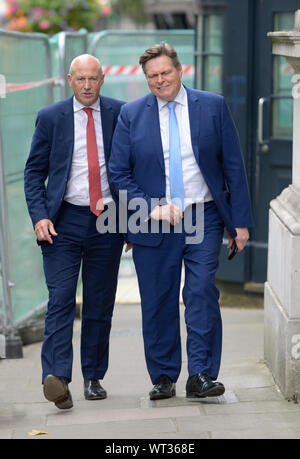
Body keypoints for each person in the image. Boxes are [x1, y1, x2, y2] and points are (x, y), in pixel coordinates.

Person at [109, 42, 253, 400]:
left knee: (201, 290)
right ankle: (163, 375)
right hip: (152, 221)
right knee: (158, 299)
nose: (160, 81)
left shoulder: (213, 106)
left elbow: (233, 166)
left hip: (201, 214)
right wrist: (149, 207)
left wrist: (240, 222)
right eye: (152, 76)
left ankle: (201, 373)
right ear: (145, 78)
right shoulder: (131, 114)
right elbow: (117, 174)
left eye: (165, 73)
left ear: (180, 70)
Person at [24, 54, 125, 409]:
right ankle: (57, 378)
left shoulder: (119, 113)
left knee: (99, 302)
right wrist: (40, 216)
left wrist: (130, 220)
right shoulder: (51, 118)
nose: (86, 86)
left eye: (92, 79)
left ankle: (94, 376)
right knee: (62, 297)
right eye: (80, 78)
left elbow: (133, 168)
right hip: (62, 221)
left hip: (107, 220)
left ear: (102, 79)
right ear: (69, 79)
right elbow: (34, 173)